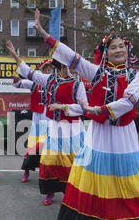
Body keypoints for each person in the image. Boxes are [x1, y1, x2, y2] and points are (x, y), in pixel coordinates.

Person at [33, 9, 139, 220]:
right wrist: (45, 35)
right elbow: (72, 57)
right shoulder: (95, 73)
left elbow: (129, 102)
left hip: (123, 133)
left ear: (128, 50)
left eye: (121, 46)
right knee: (97, 177)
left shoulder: (136, 75)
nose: (118, 50)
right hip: (99, 133)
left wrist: (96, 110)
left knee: (128, 176)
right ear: (105, 53)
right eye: (112, 47)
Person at [7, 39, 87, 206]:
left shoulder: (77, 84)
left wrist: (62, 106)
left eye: (71, 64)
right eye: (65, 64)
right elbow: (29, 73)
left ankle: (72, 193)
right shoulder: (49, 79)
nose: (69, 67)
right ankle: (50, 191)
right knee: (50, 161)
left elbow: (83, 108)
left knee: (72, 163)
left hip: (72, 129)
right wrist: (15, 56)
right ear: (60, 65)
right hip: (55, 127)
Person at [12, 59, 54, 183]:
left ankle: (47, 173)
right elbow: (17, 85)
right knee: (33, 146)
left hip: (50, 117)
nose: (47, 72)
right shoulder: (34, 84)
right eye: (45, 69)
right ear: (40, 71)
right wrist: (16, 79)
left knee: (48, 147)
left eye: (49, 69)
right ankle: (27, 171)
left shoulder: (55, 83)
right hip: (38, 117)